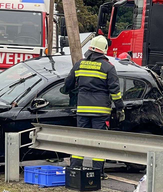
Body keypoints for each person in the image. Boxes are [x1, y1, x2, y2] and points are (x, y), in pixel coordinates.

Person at [62, 35, 125, 179]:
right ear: (104, 50)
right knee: (98, 142)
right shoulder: (108, 67)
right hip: (100, 112)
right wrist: (120, 107)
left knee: (80, 140)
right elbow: (115, 91)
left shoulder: (79, 64)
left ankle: (75, 169)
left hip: (82, 110)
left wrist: (66, 92)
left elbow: (68, 84)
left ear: (90, 48)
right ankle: (98, 173)